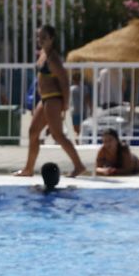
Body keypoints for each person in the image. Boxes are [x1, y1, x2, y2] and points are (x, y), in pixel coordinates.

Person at [14, 25, 85, 179]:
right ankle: (28, 169)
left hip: (53, 98)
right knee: (33, 132)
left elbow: (64, 81)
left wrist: (65, 104)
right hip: (45, 98)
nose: (40, 40)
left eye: (43, 37)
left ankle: (79, 166)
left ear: (52, 39)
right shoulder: (42, 54)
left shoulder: (53, 57)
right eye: (39, 37)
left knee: (58, 135)